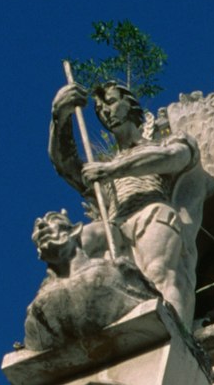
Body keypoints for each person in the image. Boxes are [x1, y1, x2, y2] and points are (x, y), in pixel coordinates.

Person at [49, 80, 200, 321]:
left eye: (110, 103)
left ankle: (177, 334)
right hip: (115, 222)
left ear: (129, 104)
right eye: (99, 111)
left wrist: (112, 170)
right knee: (77, 244)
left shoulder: (167, 142)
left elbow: (173, 157)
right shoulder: (102, 170)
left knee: (159, 273)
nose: (105, 112)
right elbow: (66, 165)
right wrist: (60, 119)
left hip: (152, 213)